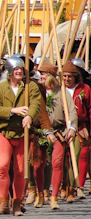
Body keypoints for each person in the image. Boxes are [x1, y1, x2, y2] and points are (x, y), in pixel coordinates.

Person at [0, 56, 41, 216]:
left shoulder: (30, 86)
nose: (19, 71)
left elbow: (36, 104)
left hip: (22, 133)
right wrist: (13, 110)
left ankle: (17, 203)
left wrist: (30, 116)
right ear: (10, 70)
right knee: (2, 167)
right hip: (5, 132)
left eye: (21, 69)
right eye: (16, 69)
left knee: (20, 170)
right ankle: (3, 202)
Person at [38, 61, 78, 209]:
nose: (40, 77)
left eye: (43, 74)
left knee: (57, 163)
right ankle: (41, 193)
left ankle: (54, 197)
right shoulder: (37, 91)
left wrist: (72, 128)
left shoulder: (62, 91)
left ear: (50, 76)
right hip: (40, 132)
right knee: (38, 165)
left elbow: (72, 112)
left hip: (58, 132)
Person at [62, 60, 91, 201]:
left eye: (70, 76)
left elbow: (90, 109)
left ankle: (78, 187)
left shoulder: (85, 89)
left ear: (75, 77)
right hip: (62, 127)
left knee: (81, 156)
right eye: (64, 76)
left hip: (80, 127)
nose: (67, 79)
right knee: (64, 159)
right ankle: (66, 187)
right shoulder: (59, 89)